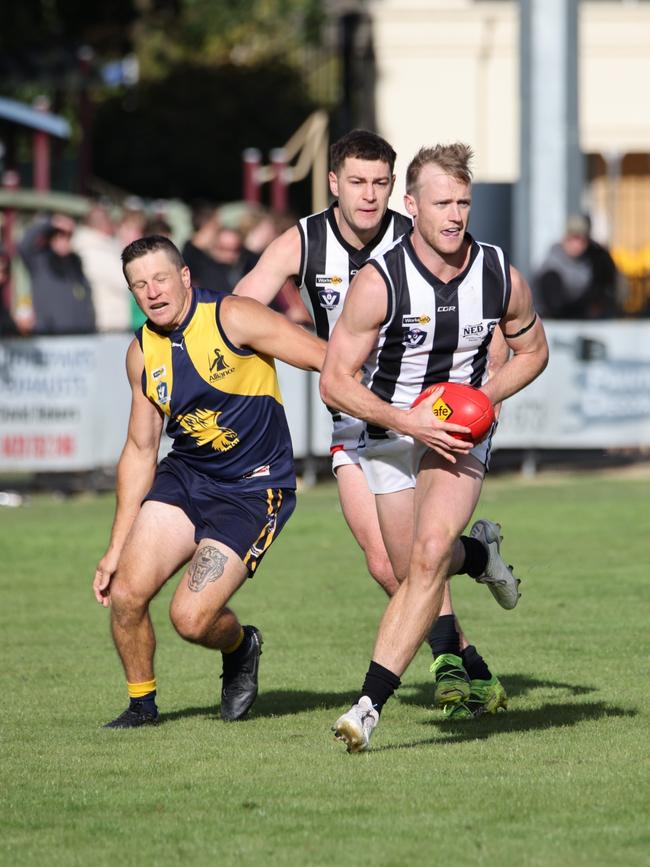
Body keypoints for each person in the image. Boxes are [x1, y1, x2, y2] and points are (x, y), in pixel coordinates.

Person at [235, 129, 515, 722]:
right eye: (357, 183)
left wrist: (490, 357)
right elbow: (242, 310)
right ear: (333, 183)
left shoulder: (418, 234)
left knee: (418, 556)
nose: (369, 196)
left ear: (398, 192)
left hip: (427, 415)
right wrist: (321, 356)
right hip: (354, 415)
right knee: (388, 563)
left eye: (380, 184)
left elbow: (478, 295)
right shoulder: (304, 240)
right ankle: (474, 602)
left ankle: (453, 669)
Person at [320, 143, 549, 752]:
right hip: (392, 432)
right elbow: (335, 382)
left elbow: (534, 352)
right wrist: (407, 420)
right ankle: (480, 556)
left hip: (457, 438)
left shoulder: (501, 274)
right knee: (406, 572)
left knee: (424, 556)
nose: (454, 215)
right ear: (411, 204)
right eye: (441, 202)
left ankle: (368, 706)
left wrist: (482, 397)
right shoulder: (379, 282)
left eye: (464, 202)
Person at [92, 235, 325, 728]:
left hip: (252, 490)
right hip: (187, 477)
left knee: (191, 620)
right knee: (128, 593)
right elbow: (139, 450)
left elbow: (321, 357)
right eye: (139, 285)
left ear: (184, 277)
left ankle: (242, 647)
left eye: (160, 278)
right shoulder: (141, 353)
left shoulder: (233, 316)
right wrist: (114, 549)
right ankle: (142, 707)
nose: (152, 292)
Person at [17, 213, 95, 335]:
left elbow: (85, 301)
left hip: (77, 338)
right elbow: (23, 245)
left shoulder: (76, 264)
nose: (63, 241)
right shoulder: (39, 260)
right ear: (50, 239)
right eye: (59, 236)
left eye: (68, 236)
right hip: (47, 336)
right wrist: (51, 223)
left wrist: (89, 329)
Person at [533, 214, 619, 319]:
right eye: (573, 239)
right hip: (551, 320)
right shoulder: (552, 264)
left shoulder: (593, 261)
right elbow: (554, 306)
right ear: (565, 239)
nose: (577, 245)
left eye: (582, 240)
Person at [73, 203, 131, 332]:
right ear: (102, 224)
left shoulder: (104, 246)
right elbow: (125, 280)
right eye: (110, 220)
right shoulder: (91, 250)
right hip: (107, 322)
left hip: (113, 321)